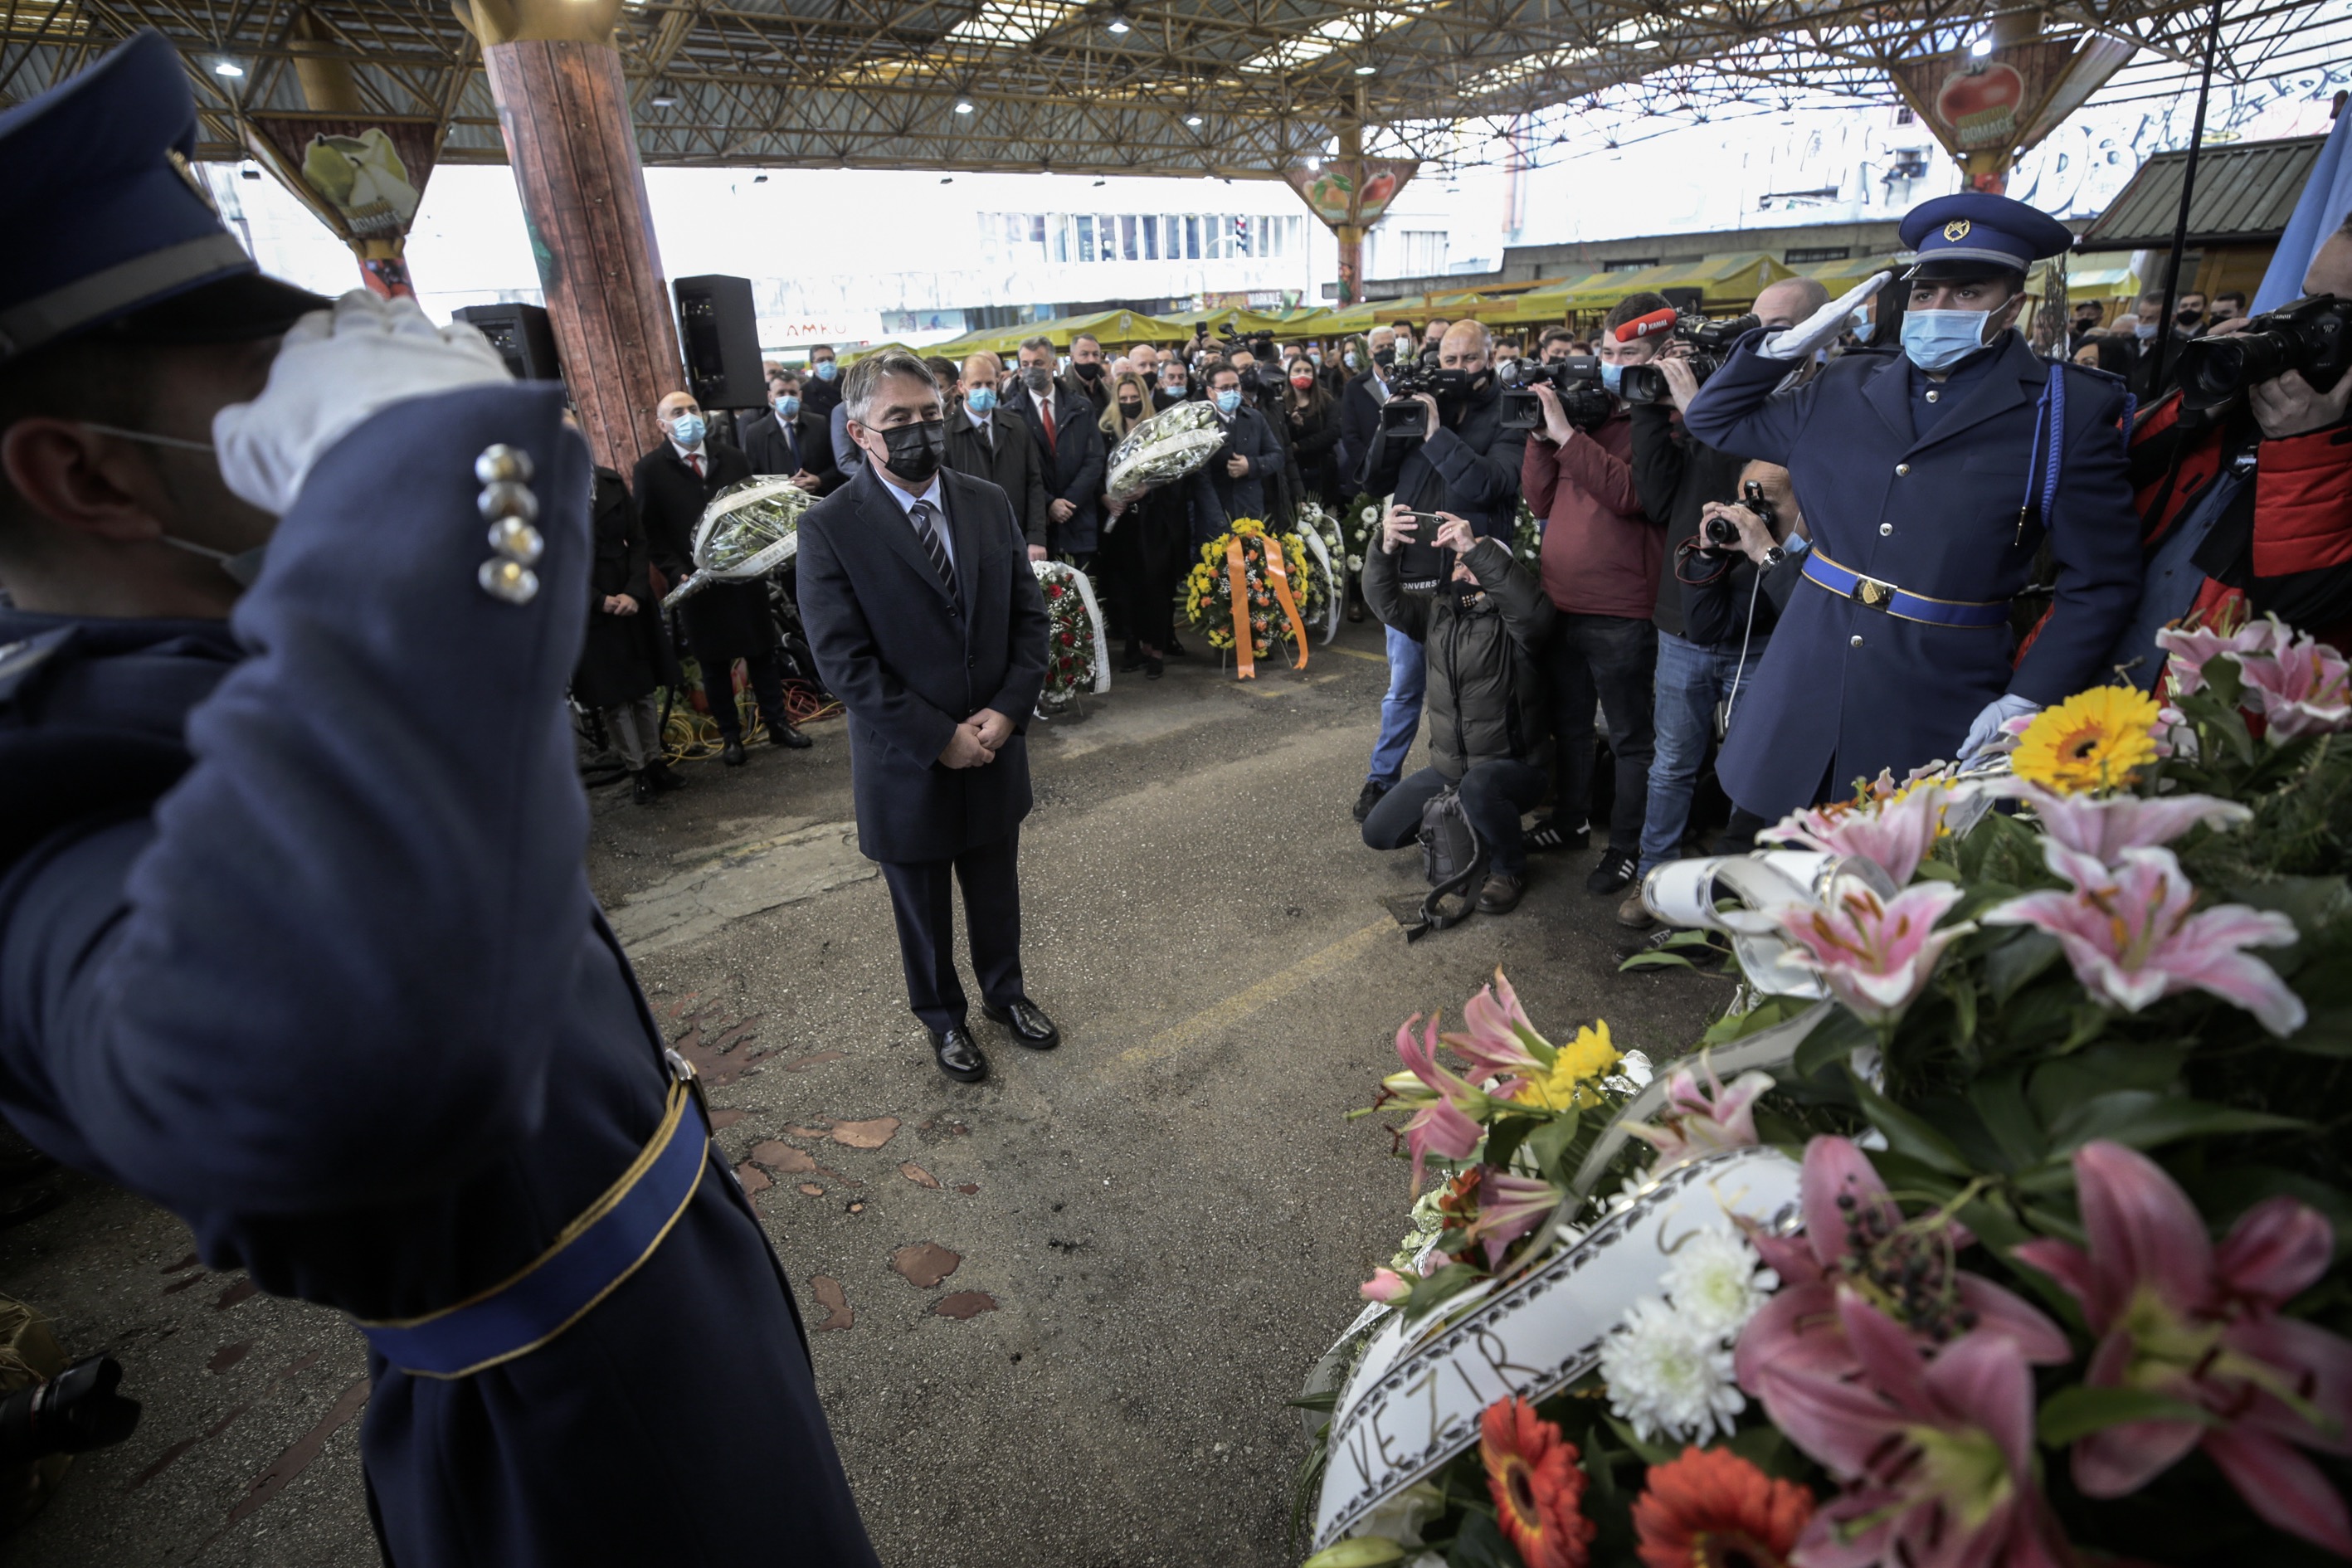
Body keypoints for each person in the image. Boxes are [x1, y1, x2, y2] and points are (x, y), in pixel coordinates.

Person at [0, 31, 877, 1565]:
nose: (328, 363)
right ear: (91, 476)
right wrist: (424, 473)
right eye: (266, 362)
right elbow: (365, 1057)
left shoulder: (232, 651)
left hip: (669, 1303)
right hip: (575, 1454)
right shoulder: (40, 799)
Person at [1681, 191, 2145, 826]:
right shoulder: (1845, 384)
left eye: (1966, 293)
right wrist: (1779, 348)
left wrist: (2029, 697)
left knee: (1883, 898)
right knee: (1755, 875)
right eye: (1925, 294)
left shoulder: (2063, 413)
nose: (1937, 309)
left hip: (1930, 695)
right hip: (1803, 680)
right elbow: (1713, 417)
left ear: (2011, 304)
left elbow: (2102, 581)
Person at [793, 351, 1056, 1084]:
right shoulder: (830, 528)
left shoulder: (985, 501)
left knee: (995, 889)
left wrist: (1005, 714)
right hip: (906, 762)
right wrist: (938, 738)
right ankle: (943, 1020)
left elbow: (1028, 623)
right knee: (922, 909)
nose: (919, 432)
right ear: (859, 432)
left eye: (929, 416)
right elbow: (843, 661)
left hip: (994, 745)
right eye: (897, 420)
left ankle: (1006, 995)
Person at [1622, 276, 1828, 927]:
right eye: (1752, 327)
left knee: (1756, 766)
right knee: (1671, 762)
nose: (1756, 344)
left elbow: (1767, 491)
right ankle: (1654, 881)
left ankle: (1739, 885)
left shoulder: (1822, 406)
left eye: (1776, 331)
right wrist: (1658, 409)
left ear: (1817, 335)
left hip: (1770, 620)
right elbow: (1658, 500)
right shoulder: (1715, 393)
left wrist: (1711, 410)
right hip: (1686, 616)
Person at [2117, 215, 2352, 670]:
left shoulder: (2307, 433)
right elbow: (2102, 476)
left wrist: (2305, 447)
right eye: (2310, 298)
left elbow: (2300, 610)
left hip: (2220, 721)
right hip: (2112, 678)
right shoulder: (2260, 394)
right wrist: (2199, 400)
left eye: (2340, 312)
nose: (2310, 321)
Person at [1523, 293, 1675, 898]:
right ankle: (1570, 821)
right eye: (1607, 351)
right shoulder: (1582, 417)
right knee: (1570, 726)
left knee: (1633, 736)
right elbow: (1538, 502)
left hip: (1622, 610)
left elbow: (1633, 496)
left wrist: (1566, 437)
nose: (1613, 364)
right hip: (1560, 600)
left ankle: (1627, 849)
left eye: (1628, 353)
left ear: (1664, 355)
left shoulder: (1662, 416)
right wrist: (1540, 436)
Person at [1351, 320, 1528, 824]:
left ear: (1489, 359)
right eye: (1448, 361)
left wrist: (1435, 433)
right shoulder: (1424, 399)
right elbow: (1372, 479)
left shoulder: (1505, 412)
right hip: (1414, 574)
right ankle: (1381, 779)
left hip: (1475, 583)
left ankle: (1481, 792)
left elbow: (1491, 485)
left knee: (1481, 698)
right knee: (1405, 686)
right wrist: (1395, 421)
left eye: (1468, 360)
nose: (1456, 370)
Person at [1361, 508, 1554, 912]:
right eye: (1458, 566)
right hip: (1450, 770)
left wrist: (1473, 546)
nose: (1462, 572)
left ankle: (1508, 867)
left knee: (1480, 788)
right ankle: (1471, 825)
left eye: (1473, 566)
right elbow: (1384, 600)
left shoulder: (1517, 623)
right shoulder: (1437, 613)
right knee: (1378, 831)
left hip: (1512, 770)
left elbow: (1531, 611)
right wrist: (1386, 546)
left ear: (1498, 573)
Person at [635, 390, 811, 762]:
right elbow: (651, 533)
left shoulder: (730, 457)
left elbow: (753, 513)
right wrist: (678, 572)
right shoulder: (650, 469)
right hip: (696, 583)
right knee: (712, 663)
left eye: (693, 409)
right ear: (662, 425)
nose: (688, 417)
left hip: (744, 577)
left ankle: (777, 725)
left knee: (761, 653)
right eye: (677, 412)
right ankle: (731, 737)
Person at [1675, 463, 1809, 851]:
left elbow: (1812, 620)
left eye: (1765, 504)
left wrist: (1768, 553)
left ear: (1805, 503)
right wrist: (1708, 554)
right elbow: (1705, 628)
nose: (1753, 518)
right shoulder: (1754, 555)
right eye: (1746, 505)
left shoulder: (1831, 550)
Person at [577, 448, 687, 804]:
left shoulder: (608, 480)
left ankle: (655, 762)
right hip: (591, 605)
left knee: (642, 687)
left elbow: (639, 540)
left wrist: (635, 591)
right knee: (615, 695)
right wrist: (598, 599)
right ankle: (636, 769)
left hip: (631, 595)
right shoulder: (543, 492)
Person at [1099, 373, 1184, 679]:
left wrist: (1149, 488)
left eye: (1134, 398)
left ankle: (1157, 649)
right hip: (1121, 523)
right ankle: (1134, 646)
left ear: (1143, 398)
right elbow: (1097, 468)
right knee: (1127, 587)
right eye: (1123, 399)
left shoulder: (1160, 430)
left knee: (1157, 585)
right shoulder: (1107, 431)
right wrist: (1106, 497)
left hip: (1156, 522)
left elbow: (1176, 472)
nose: (1129, 403)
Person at [944, 350, 1050, 559]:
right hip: (970, 544)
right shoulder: (945, 433)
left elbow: (1034, 483)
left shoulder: (1016, 425)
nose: (984, 390)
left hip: (1016, 536)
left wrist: (1036, 537)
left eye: (989, 384)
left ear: (997, 383)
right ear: (961, 387)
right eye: (976, 385)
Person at [1012, 334, 1106, 564]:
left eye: (1038, 363)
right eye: (1025, 365)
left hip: (1079, 519)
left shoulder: (1081, 407)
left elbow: (1094, 459)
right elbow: (1015, 469)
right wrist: (1048, 503)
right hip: (1038, 527)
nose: (1031, 369)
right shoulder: (1010, 414)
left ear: (1054, 364)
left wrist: (1068, 503)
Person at [1186, 359, 1279, 547]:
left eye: (1235, 386)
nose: (1232, 392)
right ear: (1211, 392)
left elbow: (1277, 456)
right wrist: (1220, 524)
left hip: (1252, 511)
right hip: (1217, 514)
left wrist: (1251, 465)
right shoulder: (1200, 425)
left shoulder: (1254, 418)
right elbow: (1201, 480)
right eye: (1225, 388)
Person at [739, 368, 844, 494]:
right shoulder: (755, 432)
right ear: (770, 397)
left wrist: (819, 480)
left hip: (819, 499)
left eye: (792, 393)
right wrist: (781, 487)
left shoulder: (820, 424)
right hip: (778, 504)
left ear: (800, 396)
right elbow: (751, 477)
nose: (787, 397)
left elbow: (836, 464)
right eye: (781, 393)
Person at [1335, 324, 1398, 489]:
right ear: (1370, 353)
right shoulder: (1356, 386)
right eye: (1380, 347)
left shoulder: (1406, 381)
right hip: (1370, 471)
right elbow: (1350, 434)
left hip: (1404, 468)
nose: (1386, 350)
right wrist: (1369, 464)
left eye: (1390, 346)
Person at [1283, 354, 1343, 509]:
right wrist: (1292, 425)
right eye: (1297, 370)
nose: (1302, 374)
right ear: (1289, 374)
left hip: (1323, 470)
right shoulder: (1282, 402)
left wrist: (1300, 446)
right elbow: (1280, 436)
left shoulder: (1326, 400)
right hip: (1295, 472)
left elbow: (1333, 432)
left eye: (1307, 370)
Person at [1065, 333, 1110, 413]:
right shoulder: (1062, 392)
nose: (1092, 360)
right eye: (1085, 354)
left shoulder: (1110, 391)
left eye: (1095, 354)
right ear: (1072, 358)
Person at [801, 343, 843, 420]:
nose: (827, 363)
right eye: (821, 360)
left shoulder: (849, 385)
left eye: (830, 359)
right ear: (812, 366)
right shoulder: (805, 392)